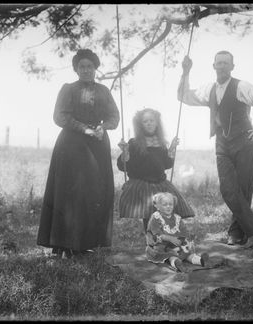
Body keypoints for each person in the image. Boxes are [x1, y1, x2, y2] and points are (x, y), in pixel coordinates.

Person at [178, 51, 253, 248]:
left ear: (232, 67)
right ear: (213, 66)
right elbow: (184, 96)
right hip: (222, 143)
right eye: (218, 63)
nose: (221, 66)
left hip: (245, 142)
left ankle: (236, 233)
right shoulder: (209, 89)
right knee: (228, 189)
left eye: (225, 63)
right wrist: (186, 72)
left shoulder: (242, 86)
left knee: (243, 189)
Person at [37, 49, 120, 258]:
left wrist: (104, 127)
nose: (85, 70)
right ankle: (64, 243)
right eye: (81, 67)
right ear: (76, 69)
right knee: (71, 193)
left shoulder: (104, 91)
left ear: (95, 69)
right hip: (71, 146)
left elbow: (114, 116)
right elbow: (60, 117)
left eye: (89, 66)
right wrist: (85, 129)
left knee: (95, 192)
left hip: (98, 146)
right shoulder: (68, 89)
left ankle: (87, 243)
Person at [117, 108, 195, 232]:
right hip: (142, 184)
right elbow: (123, 166)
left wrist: (172, 149)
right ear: (140, 125)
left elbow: (167, 164)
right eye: (145, 121)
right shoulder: (134, 143)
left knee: (168, 209)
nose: (149, 123)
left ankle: (166, 239)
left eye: (151, 120)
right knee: (150, 213)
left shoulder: (161, 143)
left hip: (160, 183)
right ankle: (152, 240)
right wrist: (125, 152)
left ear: (157, 122)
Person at [145, 192, 209, 272]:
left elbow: (184, 232)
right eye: (165, 205)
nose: (168, 207)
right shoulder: (156, 217)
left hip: (176, 244)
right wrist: (170, 238)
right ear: (157, 206)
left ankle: (200, 260)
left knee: (187, 252)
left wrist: (187, 241)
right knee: (171, 255)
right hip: (161, 245)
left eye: (170, 204)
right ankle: (176, 263)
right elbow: (157, 234)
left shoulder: (177, 218)